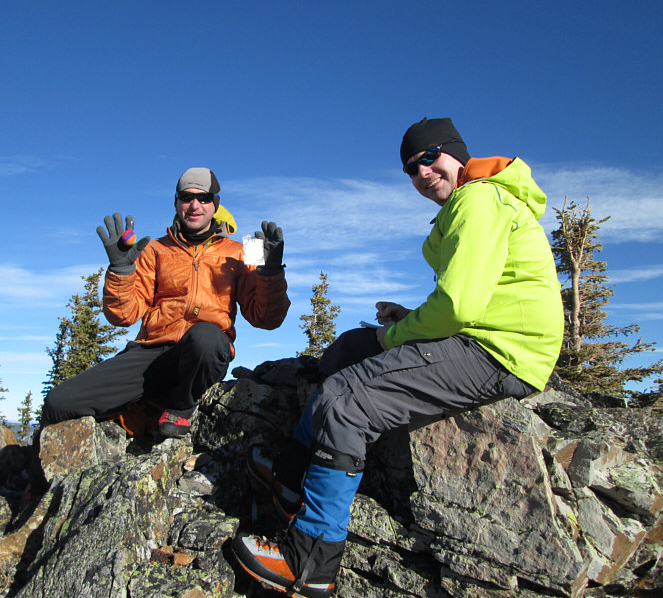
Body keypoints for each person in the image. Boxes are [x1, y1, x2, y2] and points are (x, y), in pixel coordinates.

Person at [232, 118, 564, 598]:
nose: (422, 172)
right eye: (411, 168)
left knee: (348, 402)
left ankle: (310, 564)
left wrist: (397, 337)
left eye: (429, 158)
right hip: (488, 337)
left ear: (455, 153)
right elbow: (476, 297)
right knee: (343, 368)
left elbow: (458, 306)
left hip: (500, 352)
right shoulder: (475, 202)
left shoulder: (479, 199)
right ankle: (290, 480)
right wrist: (407, 317)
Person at [41, 167, 291, 438]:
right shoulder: (155, 249)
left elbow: (265, 318)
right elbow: (123, 315)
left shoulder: (240, 252)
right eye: (186, 197)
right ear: (176, 202)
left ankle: (181, 406)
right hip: (151, 354)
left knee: (206, 336)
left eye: (204, 198)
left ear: (215, 205)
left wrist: (271, 272)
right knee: (58, 402)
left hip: (201, 356)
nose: (195, 205)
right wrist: (121, 270)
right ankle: (34, 474)